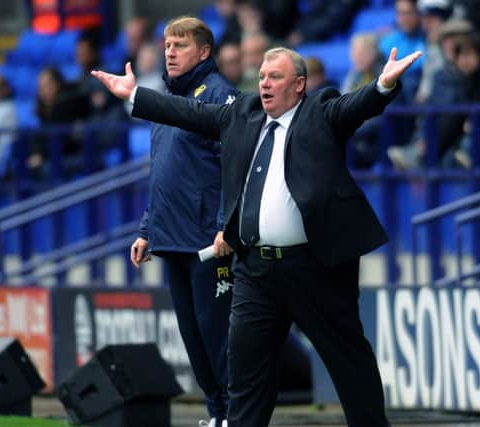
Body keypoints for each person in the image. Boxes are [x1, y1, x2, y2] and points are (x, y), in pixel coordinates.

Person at [92, 44, 422, 427]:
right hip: (255, 272)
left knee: (348, 363)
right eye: (263, 77)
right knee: (247, 377)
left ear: (299, 85)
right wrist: (134, 95)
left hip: (315, 269)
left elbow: (355, 107)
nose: (265, 84)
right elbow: (188, 112)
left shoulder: (319, 111)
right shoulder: (243, 113)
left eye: (275, 77)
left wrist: (382, 84)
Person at [127, 17, 237, 427]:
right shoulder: (163, 100)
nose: (170, 52)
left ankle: (234, 414)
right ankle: (217, 414)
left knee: (218, 338)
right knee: (194, 340)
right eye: (167, 45)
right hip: (170, 238)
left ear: (204, 52)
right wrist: (145, 230)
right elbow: (163, 174)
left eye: (180, 45)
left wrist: (227, 223)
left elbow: (234, 167)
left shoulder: (222, 97)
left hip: (209, 241)